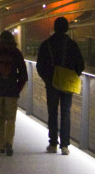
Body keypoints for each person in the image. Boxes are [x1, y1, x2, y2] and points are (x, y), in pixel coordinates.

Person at [36, 15, 84, 155]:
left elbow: (40, 65)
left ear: (55, 28)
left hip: (52, 83)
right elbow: (80, 64)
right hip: (67, 84)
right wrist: (72, 75)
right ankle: (65, 145)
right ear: (67, 29)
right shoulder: (72, 45)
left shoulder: (47, 44)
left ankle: (52, 143)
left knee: (52, 112)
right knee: (66, 113)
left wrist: (48, 79)